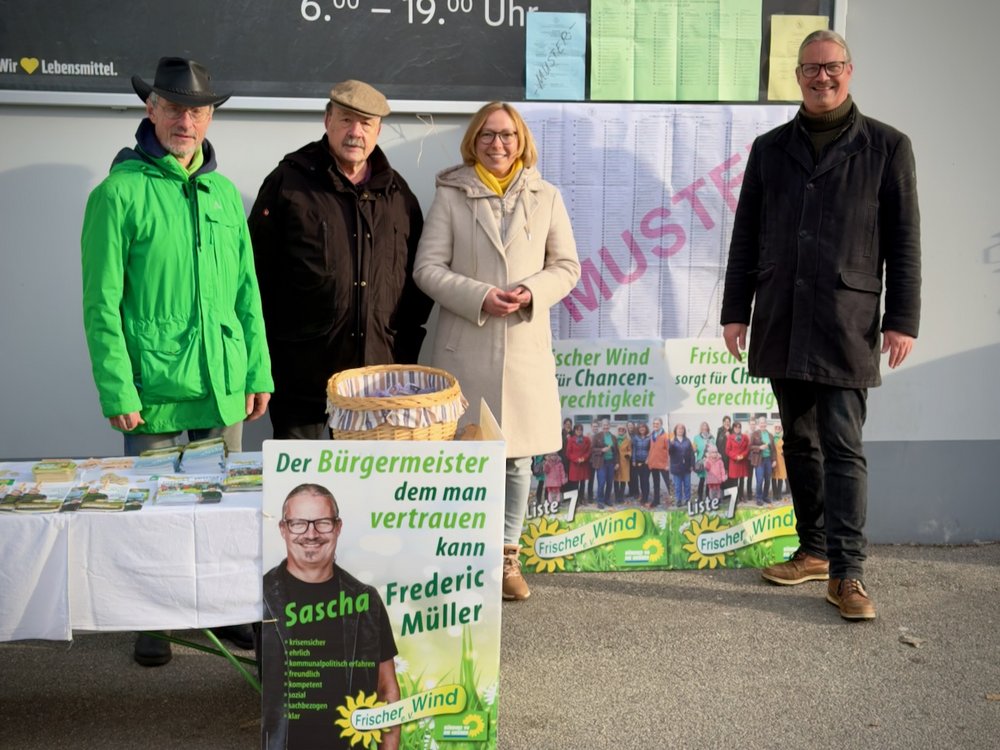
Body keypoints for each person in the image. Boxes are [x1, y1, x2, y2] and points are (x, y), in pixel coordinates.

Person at [721, 30, 921, 620]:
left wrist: (902, 318)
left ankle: (848, 573)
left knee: (842, 444)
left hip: (846, 319)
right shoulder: (769, 148)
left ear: (849, 71)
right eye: (810, 69)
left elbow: (905, 242)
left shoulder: (887, 146)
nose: (821, 77)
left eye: (831, 67)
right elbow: (746, 236)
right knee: (798, 442)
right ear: (798, 75)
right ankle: (812, 550)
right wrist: (737, 311)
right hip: (783, 312)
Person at [80, 57, 273, 666]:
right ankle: (154, 620)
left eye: (196, 109)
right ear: (151, 111)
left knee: (225, 510)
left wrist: (257, 370)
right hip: (155, 386)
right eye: (172, 107)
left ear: (209, 116)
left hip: (222, 382)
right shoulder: (117, 194)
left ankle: (226, 611)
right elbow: (100, 304)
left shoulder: (221, 193)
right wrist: (118, 391)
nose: (185, 120)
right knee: (157, 510)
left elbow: (247, 291)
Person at [413, 101, 581, 601]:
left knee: (516, 460)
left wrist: (530, 292)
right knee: (462, 456)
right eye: (487, 135)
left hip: (524, 346)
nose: (498, 144)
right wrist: (481, 296)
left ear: (521, 139)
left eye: (507, 135)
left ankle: (507, 558)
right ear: (473, 140)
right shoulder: (451, 193)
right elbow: (427, 269)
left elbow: (567, 266)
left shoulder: (546, 196)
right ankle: (460, 560)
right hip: (464, 345)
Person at [249, 79, 432, 439]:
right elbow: (254, 276)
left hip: (377, 389)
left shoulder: (398, 196)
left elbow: (417, 285)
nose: (355, 132)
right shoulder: (289, 183)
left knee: (367, 493)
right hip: (302, 383)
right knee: (301, 491)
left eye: (366, 123)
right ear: (327, 120)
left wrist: (402, 353)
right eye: (346, 120)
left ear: (378, 130)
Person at [262, 484, 400, 749]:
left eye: (322, 523)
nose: (311, 534)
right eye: (299, 523)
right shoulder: (263, 596)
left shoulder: (366, 601)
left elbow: (387, 689)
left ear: (337, 527)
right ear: (283, 529)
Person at [591, 419, 618, 509]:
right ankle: (600, 501)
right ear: (601, 426)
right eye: (604, 425)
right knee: (601, 482)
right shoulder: (597, 436)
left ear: (609, 426)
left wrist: (617, 462)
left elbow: (616, 452)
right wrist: (601, 450)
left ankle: (607, 499)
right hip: (601, 463)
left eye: (607, 425)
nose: (605, 427)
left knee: (610, 482)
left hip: (611, 463)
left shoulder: (613, 437)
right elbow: (592, 449)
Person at [668, 422, 695, 507]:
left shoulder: (687, 441)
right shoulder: (672, 441)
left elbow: (692, 454)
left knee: (687, 485)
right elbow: (670, 452)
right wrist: (671, 444)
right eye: (679, 428)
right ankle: (678, 500)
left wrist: (692, 465)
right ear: (675, 430)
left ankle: (687, 499)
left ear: (684, 430)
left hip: (686, 467)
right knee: (677, 486)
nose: (680, 430)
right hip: (676, 467)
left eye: (682, 429)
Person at [749, 416, 774, 505]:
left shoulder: (770, 435)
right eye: (761, 422)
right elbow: (750, 447)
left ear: (766, 424)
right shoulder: (755, 434)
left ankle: (765, 496)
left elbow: (773, 449)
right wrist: (759, 447)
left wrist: (774, 460)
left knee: (767, 479)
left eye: (764, 422)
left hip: (768, 460)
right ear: (758, 424)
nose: (762, 424)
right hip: (759, 460)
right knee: (759, 480)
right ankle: (758, 498)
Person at [647, 417, 671, 508]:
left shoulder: (666, 436)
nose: (655, 425)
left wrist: (668, 464)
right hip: (653, 463)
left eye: (657, 424)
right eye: (654, 424)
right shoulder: (651, 435)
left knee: (668, 483)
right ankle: (656, 501)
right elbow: (651, 449)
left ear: (661, 425)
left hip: (663, 464)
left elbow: (669, 451)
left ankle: (673, 500)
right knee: (656, 484)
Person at [725, 422, 751, 504]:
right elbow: (727, 450)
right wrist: (735, 456)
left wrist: (742, 456)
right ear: (733, 428)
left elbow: (747, 448)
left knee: (742, 480)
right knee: (734, 481)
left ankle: (741, 496)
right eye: (736, 427)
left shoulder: (745, 437)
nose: (737, 429)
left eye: (739, 427)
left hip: (742, 461)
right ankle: (735, 497)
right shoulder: (730, 437)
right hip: (734, 462)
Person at [565, 423, 592, 495]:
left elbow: (589, 451)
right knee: (575, 483)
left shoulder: (586, 439)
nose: (579, 431)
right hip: (575, 465)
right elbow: (568, 453)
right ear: (575, 430)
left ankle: (582, 497)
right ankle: (575, 499)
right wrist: (576, 459)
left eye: (581, 430)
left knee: (583, 482)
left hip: (583, 464)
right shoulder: (571, 440)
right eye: (577, 430)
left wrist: (584, 458)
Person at [692, 421, 714, 503]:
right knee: (701, 480)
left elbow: (715, 449)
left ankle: (708, 497)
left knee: (709, 480)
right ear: (701, 429)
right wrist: (694, 449)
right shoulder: (696, 438)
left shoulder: (712, 438)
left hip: (710, 462)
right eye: (703, 427)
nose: (704, 429)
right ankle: (700, 497)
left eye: (706, 427)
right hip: (701, 462)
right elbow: (694, 449)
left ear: (708, 428)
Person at [631, 422, 652, 506]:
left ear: (646, 429)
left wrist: (648, 459)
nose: (642, 429)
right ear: (638, 429)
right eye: (640, 428)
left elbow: (651, 450)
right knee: (640, 479)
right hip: (638, 461)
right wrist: (633, 460)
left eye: (643, 427)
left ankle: (646, 497)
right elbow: (634, 449)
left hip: (647, 462)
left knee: (645, 480)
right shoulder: (636, 438)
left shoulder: (649, 438)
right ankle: (643, 496)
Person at [614, 424, 632, 504]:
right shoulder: (614, 439)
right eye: (619, 430)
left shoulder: (628, 440)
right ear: (617, 431)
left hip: (624, 462)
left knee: (623, 480)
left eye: (622, 430)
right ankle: (616, 496)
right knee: (616, 480)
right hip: (616, 462)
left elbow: (630, 450)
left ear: (625, 431)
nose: (621, 431)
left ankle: (621, 497)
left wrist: (628, 454)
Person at [772, 424, 788, 500]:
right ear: (774, 429)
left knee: (781, 477)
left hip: (781, 460)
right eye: (776, 427)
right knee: (774, 477)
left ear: (781, 429)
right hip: (774, 460)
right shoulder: (771, 437)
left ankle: (779, 494)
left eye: (779, 428)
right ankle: (774, 493)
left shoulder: (783, 438)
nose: (777, 429)